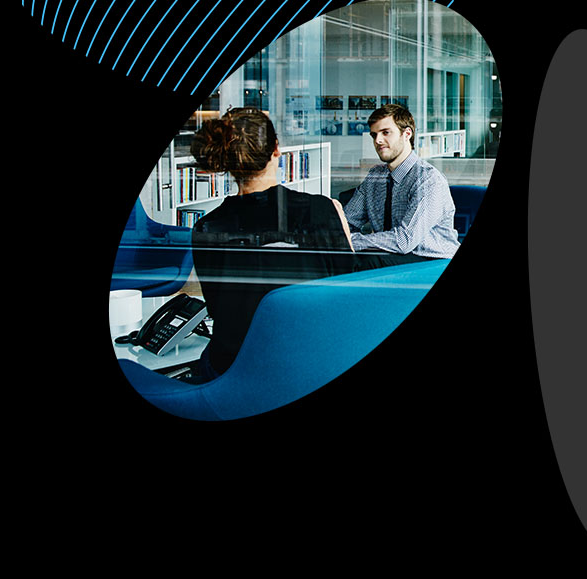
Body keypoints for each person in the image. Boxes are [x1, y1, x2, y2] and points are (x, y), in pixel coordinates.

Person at [188, 107, 354, 380]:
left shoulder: (206, 227)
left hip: (235, 372)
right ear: (277, 149)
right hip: (313, 365)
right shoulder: (325, 209)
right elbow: (348, 295)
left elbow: (218, 309)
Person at [342, 104, 459, 266]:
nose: (378, 140)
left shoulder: (428, 179)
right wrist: (334, 236)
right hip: (394, 255)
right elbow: (348, 221)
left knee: (364, 262)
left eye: (385, 133)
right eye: (374, 135)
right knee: (339, 258)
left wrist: (352, 241)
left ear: (407, 134)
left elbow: (404, 240)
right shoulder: (376, 176)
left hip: (431, 260)